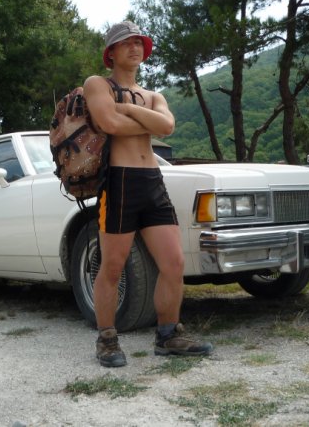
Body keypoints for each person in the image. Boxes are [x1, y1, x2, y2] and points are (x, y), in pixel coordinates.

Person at [83, 21, 213, 368]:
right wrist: (145, 121)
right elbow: (109, 124)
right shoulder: (97, 84)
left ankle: (168, 335)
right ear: (111, 52)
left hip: (153, 180)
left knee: (174, 263)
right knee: (113, 266)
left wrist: (126, 108)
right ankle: (107, 338)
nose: (134, 47)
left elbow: (166, 126)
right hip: (120, 181)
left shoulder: (154, 95)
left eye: (139, 42)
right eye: (126, 43)